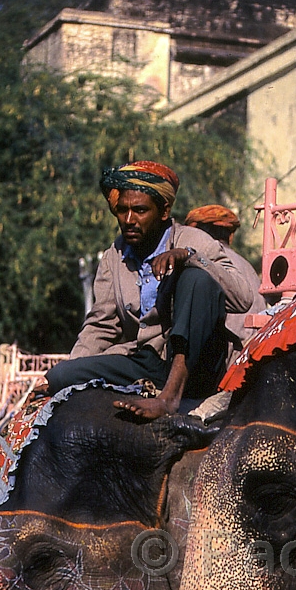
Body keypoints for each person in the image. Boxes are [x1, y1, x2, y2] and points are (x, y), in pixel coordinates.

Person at [45, 161, 255, 420]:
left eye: (140, 210)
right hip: (150, 362)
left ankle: (169, 399)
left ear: (164, 211)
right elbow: (101, 325)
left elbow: (242, 299)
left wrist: (188, 257)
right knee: (60, 376)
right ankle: (154, 388)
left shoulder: (195, 241)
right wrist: (71, 368)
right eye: (122, 211)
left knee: (195, 278)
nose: (129, 220)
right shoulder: (114, 255)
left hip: (200, 361)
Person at [184, 204, 266, 351]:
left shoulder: (205, 263)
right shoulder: (247, 266)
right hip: (252, 351)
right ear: (230, 235)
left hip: (225, 358)